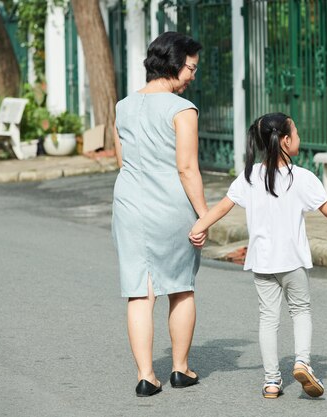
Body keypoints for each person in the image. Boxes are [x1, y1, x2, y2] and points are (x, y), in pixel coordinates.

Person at [188, 112, 327, 399]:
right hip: (293, 260)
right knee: (300, 311)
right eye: (295, 134)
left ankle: (271, 382)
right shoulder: (302, 178)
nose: (298, 138)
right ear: (285, 141)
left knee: (268, 318)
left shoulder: (249, 176)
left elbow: (223, 207)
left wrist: (200, 225)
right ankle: (302, 362)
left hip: (261, 261)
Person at [112, 31, 208, 397]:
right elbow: (187, 169)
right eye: (191, 68)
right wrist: (204, 215)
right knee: (181, 287)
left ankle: (145, 375)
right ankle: (181, 369)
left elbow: (123, 162)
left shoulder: (123, 105)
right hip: (169, 204)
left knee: (139, 292)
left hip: (129, 204)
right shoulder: (182, 109)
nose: (192, 76)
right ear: (175, 63)